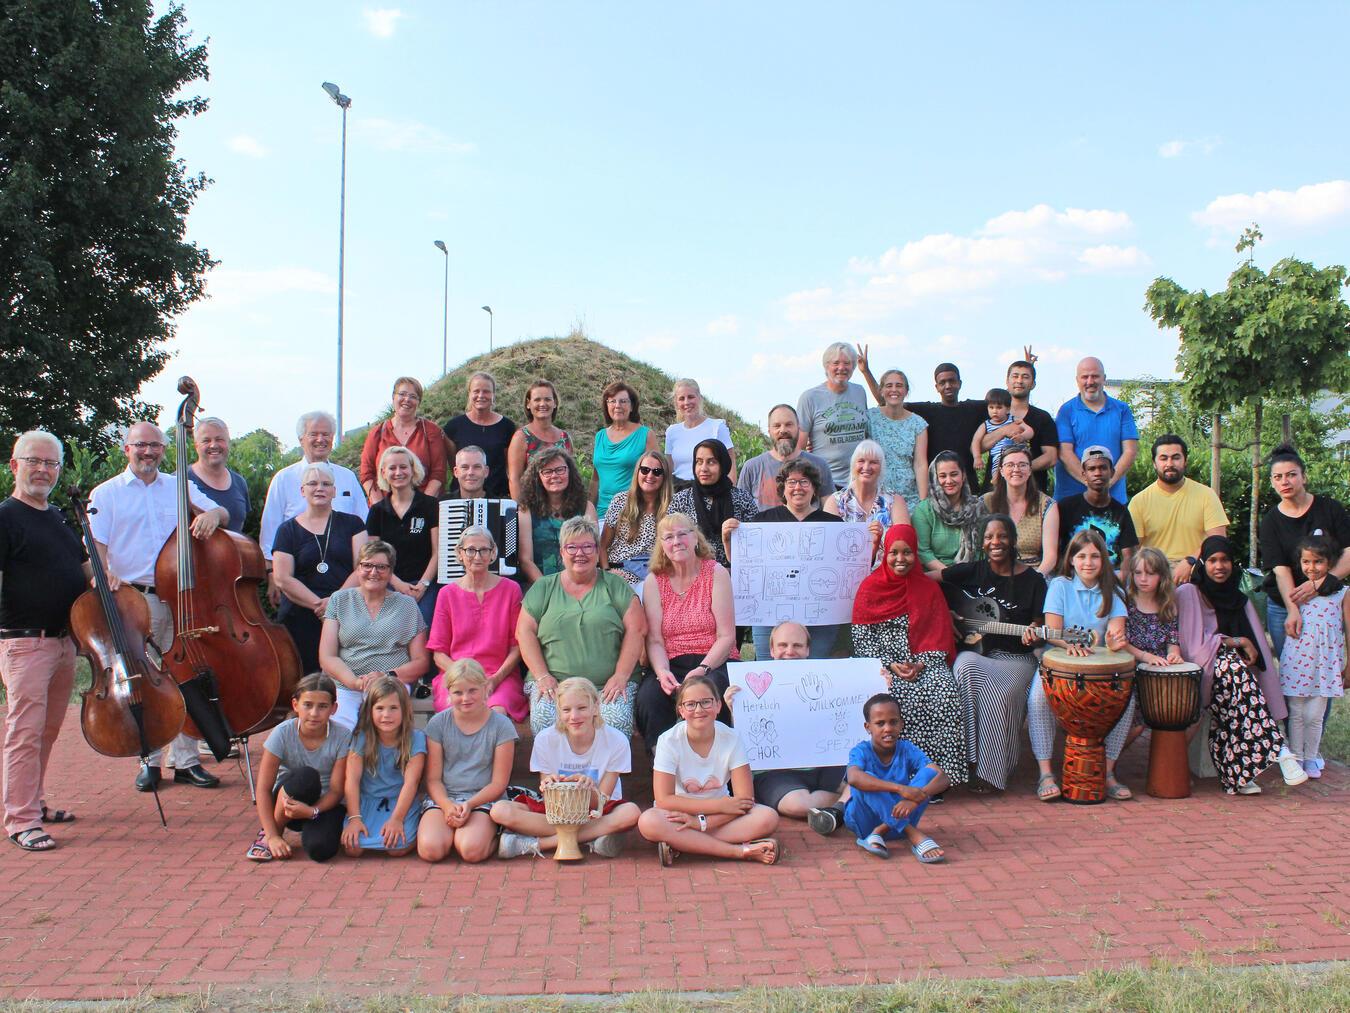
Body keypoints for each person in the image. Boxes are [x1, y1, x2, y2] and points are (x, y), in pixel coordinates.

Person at [89, 421, 229, 793]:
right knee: (144, 679)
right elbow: (95, 553)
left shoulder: (178, 486)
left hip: (179, 597)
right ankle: (149, 761)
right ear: (127, 449)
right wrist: (103, 576)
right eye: (140, 446)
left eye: (155, 446)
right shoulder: (106, 494)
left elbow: (222, 514)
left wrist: (213, 516)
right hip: (133, 599)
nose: (148, 452)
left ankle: (185, 761)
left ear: (164, 450)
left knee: (182, 675)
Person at [0, 432, 89, 851]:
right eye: (34, 461)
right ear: (14, 466)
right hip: (25, 641)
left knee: (48, 731)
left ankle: (32, 801)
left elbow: (79, 564)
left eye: (51, 463)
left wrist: (103, 577)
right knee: (25, 731)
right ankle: (20, 819)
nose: (43, 470)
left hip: (62, 640)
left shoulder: (55, 516)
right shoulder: (5, 517)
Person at [1177, 536, 1306, 794]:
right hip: (1198, 672)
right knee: (1235, 670)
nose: (1219, 566)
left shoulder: (1239, 599)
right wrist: (1236, 641)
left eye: (1225, 560)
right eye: (1212, 560)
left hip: (1230, 681)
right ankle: (1279, 749)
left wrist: (1240, 648)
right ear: (1202, 563)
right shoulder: (1189, 592)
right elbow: (1192, 647)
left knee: (1235, 687)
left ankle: (1237, 774)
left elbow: (1259, 651)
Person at [851, 525, 968, 793]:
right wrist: (889, 663)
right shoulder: (870, 588)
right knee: (897, 697)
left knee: (943, 692)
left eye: (907, 552)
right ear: (884, 553)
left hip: (925, 664)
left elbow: (939, 637)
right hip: (882, 665)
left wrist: (920, 664)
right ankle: (898, 778)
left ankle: (935, 782)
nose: (900, 559)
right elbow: (862, 640)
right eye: (894, 552)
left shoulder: (927, 589)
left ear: (916, 554)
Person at [942, 514, 1048, 792]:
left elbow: (1039, 623)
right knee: (964, 663)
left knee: (998, 694)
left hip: (1017, 660)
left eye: (1001, 536)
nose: (995, 542)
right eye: (989, 537)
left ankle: (991, 772)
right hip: (979, 654)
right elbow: (927, 582)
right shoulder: (972, 571)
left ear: (1013, 540)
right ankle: (968, 759)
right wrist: (946, 612)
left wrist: (1033, 631)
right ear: (982, 542)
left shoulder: (1033, 580)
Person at [1027, 530, 1134, 802]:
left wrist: (1113, 639)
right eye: (1082, 555)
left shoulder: (1115, 590)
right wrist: (1067, 646)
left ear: (1104, 559)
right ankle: (1045, 774)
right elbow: (1053, 631)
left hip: (1101, 671)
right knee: (1038, 698)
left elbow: (1115, 632)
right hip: (1059, 665)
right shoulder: (1060, 585)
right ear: (1072, 559)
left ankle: (1108, 773)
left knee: (1126, 701)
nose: (1088, 562)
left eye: (1095, 556)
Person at [517, 517, 645, 736]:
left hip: (607, 685)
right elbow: (524, 632)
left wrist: (621, 676)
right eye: (572, 547)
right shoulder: (543, 587)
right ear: (562, 552)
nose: (580, 553)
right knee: (545, 719)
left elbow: (637, 630)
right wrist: (541, 676)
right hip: (554, 684)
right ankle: (556, 772)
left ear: (597, 551)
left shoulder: (616, 585)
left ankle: (609, 772)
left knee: (615, 720)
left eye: (587, 546)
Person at [636, 674, 781, 867]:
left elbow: (745, 799)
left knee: (767, 817)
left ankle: (683, 843)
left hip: (721, 818)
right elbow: (664, 799)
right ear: (681, 710)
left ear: (718, 705)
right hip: (681, 813)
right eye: (690, 704)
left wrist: (701, 823)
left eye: (706, 702)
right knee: (648, 821)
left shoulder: (732, 738)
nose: (699, 710)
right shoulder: (668, 741)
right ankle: (739, 851)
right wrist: (721, 806)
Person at [491, 678, 642, 859]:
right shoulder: (545, 739)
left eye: (582, 708)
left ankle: (535, 844)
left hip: (597, 811)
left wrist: (589, 789)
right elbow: (549, 800)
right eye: (566, 710)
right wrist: (551, 786)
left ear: (595, 706)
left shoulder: (617, 740)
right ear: (559, 711)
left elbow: (600, 802)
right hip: (559, 811)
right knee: (499, 810)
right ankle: (592, 837)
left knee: (630, 813)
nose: (574, 717)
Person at [724, 622, 850, 835]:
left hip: (823, 762)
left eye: (797, 646)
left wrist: (877, 682)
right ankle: (848, 801)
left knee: (864, 772)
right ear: (771, 650)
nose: (789, 651)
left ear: (808, 650)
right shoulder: (745, 688)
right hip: (775, 771)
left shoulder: (828, 679)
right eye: (782, 645)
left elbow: (857, 704)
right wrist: (734, 710)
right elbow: (742, 737)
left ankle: (839, 806)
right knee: (797, 805)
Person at [636, 514, 738, 752]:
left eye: (682, 534)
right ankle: (663, 766)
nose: (676, 541)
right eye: (669, 537)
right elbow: (654, 640)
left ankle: (716, 763)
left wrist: (702, 669)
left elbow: (727, 636)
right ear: (662, 545)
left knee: (710, 692)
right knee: (650, 697)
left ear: (695, 538)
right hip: (670, 661)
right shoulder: (654, 581)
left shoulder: (716, 573)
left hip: (714, 661)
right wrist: (662, 673)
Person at [723, 458, 842, 660]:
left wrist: (872, 543)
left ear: (814, 488)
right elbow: (743, 566)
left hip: (820, 617)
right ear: (783, 488)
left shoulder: (834, 525)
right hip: (768, 614)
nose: (798, 487)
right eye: (791, 482)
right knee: (769, 668)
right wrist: (727, 540)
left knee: (814, 671)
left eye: (804, 482)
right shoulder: (762, 521)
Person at [271, 462, 369, 675]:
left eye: (326, 484)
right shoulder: (287, 530)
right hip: (300, 613)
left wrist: (333, 604)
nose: (319, 488)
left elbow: (362, 567)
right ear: (302, 490)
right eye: (313, 483)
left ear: (334, 491)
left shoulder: (353, 524)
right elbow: (282, 578)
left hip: (346, 611)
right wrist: (318, 605)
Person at [318, 540, 428, 730]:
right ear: (358, 568)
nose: (373, 572)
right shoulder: (339, 599)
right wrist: (354, 682)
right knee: (339, 731)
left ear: (391, 572)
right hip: (346, 683)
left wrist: (387, 676)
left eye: (381, 567)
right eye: (367, 565)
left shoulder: (407, 605)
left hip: (392, 683)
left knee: (384, 727)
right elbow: (327, 656)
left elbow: (421, 661)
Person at [416, 659, 517, 863]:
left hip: (482, 798)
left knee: (471, 851)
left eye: (472, 690)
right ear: (448, 693)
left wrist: (470, 804)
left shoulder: (501, 726)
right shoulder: (438, 724)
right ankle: (452, 832)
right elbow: (433, 779)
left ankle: (500, 836)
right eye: (458, 693)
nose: (465, 698)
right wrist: (446, 805)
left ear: (485, 688)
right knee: (431, 850)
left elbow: (499, 783)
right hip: (446, 797)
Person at [259, 411, 367, 600]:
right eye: (314, 434)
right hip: (297, 583)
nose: (320, 439)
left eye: (326, 435)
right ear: (301, 439)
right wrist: (271, 574)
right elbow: (270, 530)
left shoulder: (347, 477)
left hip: (346, 586)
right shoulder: (283, 479)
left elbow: (365, 523)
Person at [1259, 444, 1350, 662]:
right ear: (1272, 482)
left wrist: (1320, 583)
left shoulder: (1330, 508)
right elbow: (1280, 570)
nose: (1285, 481)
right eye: (1278, 477)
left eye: (1291, 475)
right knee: (1292, 673)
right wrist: (1293, 609)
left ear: (1304, 477)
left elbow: (1348, 552)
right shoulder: (1271, 521)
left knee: (1323, 672)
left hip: (1327, 601)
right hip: (1285, 604)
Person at [246, 674, 350, 862]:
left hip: (323, 806)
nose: (314, 713)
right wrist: (272, 835)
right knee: (307, 776)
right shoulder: (282, 733)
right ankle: (270, 835)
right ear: (295, 705)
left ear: (334, 709)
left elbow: (336, 790)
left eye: (323, 706)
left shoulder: (342, 736)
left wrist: (312, 812)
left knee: (321, 850)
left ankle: (309, 831)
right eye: (308, 705)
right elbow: (262, 788)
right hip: (288, 801)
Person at [427, 525, 526, 720]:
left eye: (484, 550)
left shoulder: (511, 590)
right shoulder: (446, 594)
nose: (477, 556)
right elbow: (438, 653)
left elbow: (518, 647)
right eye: (470, 550)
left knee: (495, 714)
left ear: (493, 554)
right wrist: (463, 678)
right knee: (456, 713)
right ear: (460, 554)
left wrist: (494, 679)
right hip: (456, 674)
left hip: (499, 676)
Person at [845, 694, 949, 863]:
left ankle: (879, 831)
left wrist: (915, 799)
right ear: (867, 727)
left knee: (929, 774)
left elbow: (942, 776)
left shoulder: (907, 749)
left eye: (893, 722)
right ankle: (913, 834)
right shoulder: (861, 750)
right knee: (864, 779)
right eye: (880, 723)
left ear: (901, 724)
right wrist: (901, 789)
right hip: (865, 824)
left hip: (902, 814)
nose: (888, 728)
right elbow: (854, 778)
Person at [1278, 537, 1347, 779]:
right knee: (1296, 712)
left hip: (1325, 663)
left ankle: (1311, 757)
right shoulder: (1296, 593)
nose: (1311, 567)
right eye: (1306, 561)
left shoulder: (1342, 593)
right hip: (1298, 660)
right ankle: (1296, 757)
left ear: (1330, 562)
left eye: (1318, 561)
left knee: (1315, 715)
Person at [340, 676, 426, 858]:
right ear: (370, 710)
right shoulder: (361, 737)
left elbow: (411, 783)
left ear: (405, 710)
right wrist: (355, 818)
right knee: (353, 848)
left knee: (398, 848)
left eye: (393, 708)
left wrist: (397, 819)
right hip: (367, 801)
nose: (386, 715)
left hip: (400, 801)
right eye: (379, 708)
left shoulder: (415, 738)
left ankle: (415, 826)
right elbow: (352, 781)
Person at [1128, 435, 1228, 583]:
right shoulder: (1139, 501)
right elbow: (1132, 549)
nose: (1169, 463)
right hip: (1154, 572)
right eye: (1163, 458)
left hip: (1196, 568)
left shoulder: (1206, 495)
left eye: (1176, 457)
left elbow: (1218, 540)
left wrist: (1190, 561)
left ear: (1185, 461)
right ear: (1154, 463)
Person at [364, 446, 440, 631]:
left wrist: (423, 585)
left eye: (403, 467)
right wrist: (397, 584)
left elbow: (438, 551)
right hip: (388, 583)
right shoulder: (377, 511)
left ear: (413, 469)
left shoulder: (430, 505)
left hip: (424, 585)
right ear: (383, 472)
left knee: (423, 626)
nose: (398, 472)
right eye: (392, 468)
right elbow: (374, 556)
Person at [1042, 445, 1138, 575]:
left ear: (1112, 472)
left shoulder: (1121, 512)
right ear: (1084, 474)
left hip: (1109, 578)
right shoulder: (1065, 507)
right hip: (1072, 578)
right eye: (1092, 469)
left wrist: (1120, 582)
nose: (1097, 473)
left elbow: (1129, 556)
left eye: (1103, 468)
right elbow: (1054, 550)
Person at [1054, 357, 1139, 504]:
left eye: (1095, 376)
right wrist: (1090, 482)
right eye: (1085, 377)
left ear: (1104, 378)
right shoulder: (1066, 411)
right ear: (1077, 380)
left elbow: (1130, 451)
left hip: (1113, 499)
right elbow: (1064, 452)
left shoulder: (1121, 409)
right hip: (1071, 500)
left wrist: (1107, 482)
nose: (1090, 381)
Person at [891, 361, 987, 482]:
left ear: (959, 383)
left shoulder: (974, 409)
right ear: (936, 387)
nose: (948, 386)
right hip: (935, 488)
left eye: (952, 381)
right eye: (942, 382)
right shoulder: (926, 411)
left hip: (968, 487)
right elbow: (889, 403)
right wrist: (866, 372)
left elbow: (1003, 401)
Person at [359, 376, 449, 504]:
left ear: (419, 402)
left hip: (423, 509)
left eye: (413, 396)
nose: (407, 399)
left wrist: (422, 505)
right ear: (393, 397)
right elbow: (366, 473)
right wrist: (380, 508)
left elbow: (438, 473)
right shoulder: (377, 433)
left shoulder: (431, 431)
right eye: (402, 394)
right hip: (384, 508)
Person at [670, 439, 758, 568]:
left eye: (711, 462)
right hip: (692, 575)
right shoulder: (680, 500)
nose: (703, 468)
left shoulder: (742, 499)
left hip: (735, 576)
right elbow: (669, 541)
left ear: (723, 465)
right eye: (699, 462)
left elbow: (756, 542)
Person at [978, 356, 1058, 492]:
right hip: (994, 492)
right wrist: (1003, 431)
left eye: (1025, 377)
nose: (1019, 381)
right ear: (1007, 382)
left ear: (1033, 384)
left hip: (1032, 494)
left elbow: (1051, 457)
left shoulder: (1042, 418)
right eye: (1015, 376)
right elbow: (979, 447)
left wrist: (1019, 469)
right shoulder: (991, 413)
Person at [516, 448, 596, 584]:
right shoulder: (526, 511)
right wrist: (548, 589)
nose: (554, 476)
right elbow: (525, 560)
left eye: (560, 469)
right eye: (547, 472)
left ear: (569, 472)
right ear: (538, 477)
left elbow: (593, 552)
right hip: (539, 584)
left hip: (581, 582)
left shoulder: (586, 507)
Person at [795, 342, 868, 489]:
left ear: (853, 367)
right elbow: (799, 447)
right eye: (836, 363)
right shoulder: (810, 397)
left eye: (847, 363)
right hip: (825, 482)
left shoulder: (860, 392)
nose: (841, 368)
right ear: (826, 366)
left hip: (859, 481)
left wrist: (867, 372)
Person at [735, 404, 833, 510]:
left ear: (798, 428)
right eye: (777, 426)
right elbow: (740, 510)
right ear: (769, 431)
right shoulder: (752, 467)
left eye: (789, 424)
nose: (783, 430)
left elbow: (830, 510)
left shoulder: (819, 465)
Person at [601, 450, 674, 590]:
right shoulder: (620, 501)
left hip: (656, 573)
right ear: (637, 472)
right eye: (645, 470)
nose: (650, 476)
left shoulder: (673, 506)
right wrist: (607, 571)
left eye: (657, 472)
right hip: (620, 569)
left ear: (664, 477)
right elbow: (603, 545)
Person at [862, 369, 928, 513]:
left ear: (906, 390)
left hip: (908, 499)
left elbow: (920, 464)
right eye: (889, 385)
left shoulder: (918, 424)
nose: (894, 390)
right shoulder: (869, 418)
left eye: (899, 385)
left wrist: (924, 504)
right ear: (881, 390)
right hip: (875, 497)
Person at [823, 439, 910, 547]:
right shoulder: (835, 502)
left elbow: (904, 543)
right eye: (861, 461)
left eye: (873, 462)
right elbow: (828, 545)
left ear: (881, 468)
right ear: (853, 465)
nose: (866, 467)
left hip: (885, 563)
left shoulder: (895, 501)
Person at [443, 371, 516, 499]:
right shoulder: (453, 427)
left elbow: (509, 467)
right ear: (469, 394)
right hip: (461, 499)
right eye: (476, 391)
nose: (481, 395)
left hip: (497, 496)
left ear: (493, 395)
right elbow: (453, 463)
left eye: (486, 391)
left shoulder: (507, 427)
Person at [590, 381, 658, 516]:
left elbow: (658, 475)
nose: (617, 406)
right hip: (602, 513)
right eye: (612, 401)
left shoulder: (645, 435)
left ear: (632, 406)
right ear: (606, 405)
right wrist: (589, 510)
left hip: (633, 512)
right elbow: (596, 479)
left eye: (623, 401)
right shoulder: (600, 436)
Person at [911, 452, 986, 574]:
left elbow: (982, 548)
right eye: (942, 476)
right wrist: (951, 574)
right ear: (935, 478)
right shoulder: (924, 510)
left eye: (954, 474)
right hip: (937, 576)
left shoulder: (977, 507)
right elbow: (923, 552)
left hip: (973, 573)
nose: (949, 480)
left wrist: (970, 573)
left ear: (963, 476)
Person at [980, 444, 1052, 571]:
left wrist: (1033, 582)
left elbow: (1050, 558)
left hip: (1034, 574)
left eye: (1022, 465)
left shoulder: (1046, 505)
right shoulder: (985, 502)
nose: (1016, 469)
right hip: (993, 574)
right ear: (1001, 470)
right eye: (1010, 465)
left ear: (1030, 470)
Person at [506, 379, 573, 503]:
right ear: (528, 404)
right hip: (533, 508)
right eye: (537, 400)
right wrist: (521, 511)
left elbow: (571, 475)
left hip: (563, 508)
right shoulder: (521, 437)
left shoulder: (565, 437)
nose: (542, 404)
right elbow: (514, 479)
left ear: (555, 403)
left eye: (547, 399)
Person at [1121, 548, 1183, 670]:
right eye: (1138, 573)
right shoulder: (1125, 602)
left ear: (1162, 576)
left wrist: (1174, 654)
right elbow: (1122, 644)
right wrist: (1146, 657)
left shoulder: (1167, 605)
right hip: (1131, 664)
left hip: (1160, 664)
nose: (1143, 579)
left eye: (1150, 573)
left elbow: (1172, 641)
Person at [665, 378, 735, 484]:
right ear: (676, 402)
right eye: (681, 398)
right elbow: (669, 468)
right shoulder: (671, 432)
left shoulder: (717, 427)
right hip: (677, 493)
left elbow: (731, 465)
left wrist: (730, 495)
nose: (686, 402)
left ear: (699, 398)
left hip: (710, 491)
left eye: (691, 397)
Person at [186, 417, 249, 533]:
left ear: (228, 443)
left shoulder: (240, 482)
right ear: (196, 446)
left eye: (219, 439)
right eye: (206, 440)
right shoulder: (179, 481)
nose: (213, 445)